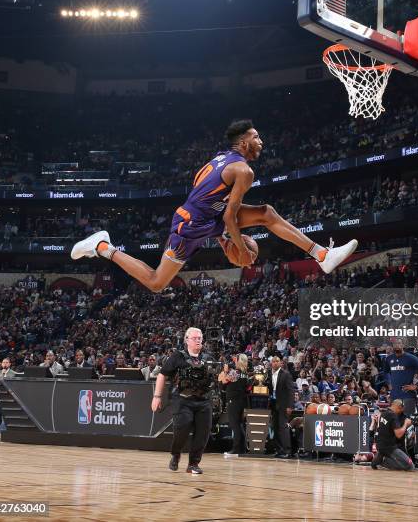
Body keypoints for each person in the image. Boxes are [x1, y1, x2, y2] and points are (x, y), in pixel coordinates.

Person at [71, 120, 358, 291]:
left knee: (266, 213)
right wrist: (241, 249)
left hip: (207, 218)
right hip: (191, 226)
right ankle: (102, 247)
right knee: (157, 282)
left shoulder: (218, 159)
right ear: (244, 142)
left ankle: (322, 254)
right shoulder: (243, 171)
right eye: (256, 137)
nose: (261, 141)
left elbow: (217, 203)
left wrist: (222, 236)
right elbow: (231, 217)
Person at [152, 327, 215, 474]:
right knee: (182, 428)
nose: (198, 340)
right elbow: (162, 375)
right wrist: (157, 396)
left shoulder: (208, 358)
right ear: (186, 340)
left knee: (203, 433)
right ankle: (176, 454)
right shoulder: (177, 356)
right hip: (182, 399)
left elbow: (216, 379)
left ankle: (193, 464)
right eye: (195, 338)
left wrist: (226, 377)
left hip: (203, 400)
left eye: (200, 338)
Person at [383, 340, 418, 417]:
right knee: (393, 421)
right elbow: (385, 372)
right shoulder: (389, 359)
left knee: (408, 421)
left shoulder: (411, 358)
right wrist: (389, 383)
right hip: (394, 395)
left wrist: (416, 385)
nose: (397, 345)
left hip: (407, 396)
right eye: (395, 344)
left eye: (399, 343)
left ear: (403, 345)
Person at [219, 354, 250, 457]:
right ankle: (242, 448)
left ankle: (236, 449)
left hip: (234, 401)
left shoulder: (235, 372)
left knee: (234, 425)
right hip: (241, 401)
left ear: (239, 361)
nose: (235, 361)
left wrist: (225, 371)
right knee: (239, 425)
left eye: (236, 360)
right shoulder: (245, 373)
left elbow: (223, 381)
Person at [371, 400, 415, 471]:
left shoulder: (384, 413)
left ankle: (379, 458)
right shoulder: (393, 415)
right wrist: (406, 424)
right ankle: (383, 461)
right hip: (390, 447)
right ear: (399, 407)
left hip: (380, 445)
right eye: (402, 410)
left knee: (402, 462)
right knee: (410, 467)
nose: (401, 412)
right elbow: (399, 435)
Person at [267, 356, 295, 458]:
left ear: (280, 363)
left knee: (283, 428)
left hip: (283, 405)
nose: (274, 363)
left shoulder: (286, 374)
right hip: (273, 404)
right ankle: (279, 450)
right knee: (275, 427)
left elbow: (291, 391)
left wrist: (290, 406)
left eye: (277, 361)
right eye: (273, 361)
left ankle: (287, 451)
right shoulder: (269, 374)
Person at [0, 358, 17, 439]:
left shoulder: (13, 373)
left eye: (7, 362)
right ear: (1, 364)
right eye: (3, 362)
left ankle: (1, 433)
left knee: (5, 415)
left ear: (9, 364)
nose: (5, 364)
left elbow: (15, 386)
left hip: (7, 397)